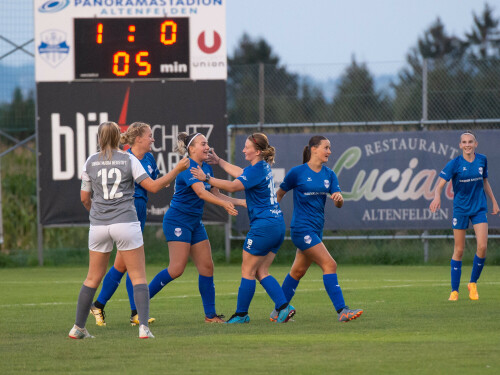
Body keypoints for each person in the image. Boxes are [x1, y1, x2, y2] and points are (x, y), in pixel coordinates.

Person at [68, 121, 189, 340]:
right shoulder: (128, 158)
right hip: (125, 221)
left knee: (92, 278)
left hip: (98, 225)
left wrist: (96, 214)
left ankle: (78, 328)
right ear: (118, 137)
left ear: (99, 138)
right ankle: (143, 327)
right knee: (138, 276)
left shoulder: (90, 161)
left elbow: (85, 198)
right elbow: (152, 186)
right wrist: (177, 169)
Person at [191, 132, 295, 323]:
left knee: (248, 270)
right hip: (277, 225)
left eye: (247, 147)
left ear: (256, 151)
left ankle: (241, 314)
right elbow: (240, 173)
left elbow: (232, 186)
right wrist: (219, 161)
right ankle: (283, 307)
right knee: (261, 271)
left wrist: (206, 178)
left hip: (263, 226)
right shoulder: (261, 166)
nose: (243, 149)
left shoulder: (257, 169)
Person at [147, 132, 244, 323]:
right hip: (177, 221)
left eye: (207, 143)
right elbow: (201, 193)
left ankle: (210, 316)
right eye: (203, 144)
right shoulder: (187, 166)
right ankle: (139, 303)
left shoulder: (206, 167)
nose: (207, 147)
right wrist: (224, 205)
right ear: (191, 149)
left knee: (207, 267)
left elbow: (216, 193)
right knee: (176, 269)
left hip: (194, 223)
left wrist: (239, 202)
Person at [272, 135, 363, 322]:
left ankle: (277, 312)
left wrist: (339, 199)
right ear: (314, 149)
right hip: (301, 229)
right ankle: (342, 311)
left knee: (297, 272)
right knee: (330, 265)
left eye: (330, 148)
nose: (329, 151)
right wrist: (272, 214)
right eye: (326, 147)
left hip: (316, 230)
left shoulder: (329, 174)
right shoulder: (297, 173)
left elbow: (338, 201)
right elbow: (279, 194)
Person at [89, 122, 159, 327]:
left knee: (125, 264)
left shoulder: (149, 158)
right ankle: (127, 311)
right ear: (138, 139)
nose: (152, 139)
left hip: (140, 207)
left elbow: (153, 181)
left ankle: (103, 305)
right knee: (127, 264)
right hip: (128, 210)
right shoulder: (125, 158)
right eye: (149, 136)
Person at [430, 130, 499, 301]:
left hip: (478, 208)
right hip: (460, 209)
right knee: (459, 250)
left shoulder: (482, 160)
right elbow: (439, 185)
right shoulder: (454, 164)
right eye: (464, 142)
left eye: (470, 142)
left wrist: (494, 201)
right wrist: (437, 196)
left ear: (476, 144)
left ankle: (473, 283)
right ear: (460, 145)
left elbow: (485, 182)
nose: (467, 145)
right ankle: (454, 291)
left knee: (482, 246)